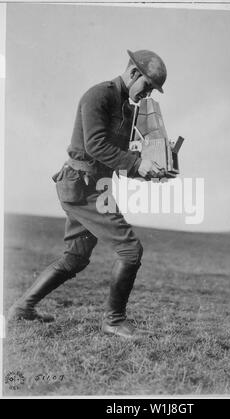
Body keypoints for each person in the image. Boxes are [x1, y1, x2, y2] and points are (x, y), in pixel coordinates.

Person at [8, 49, 168, 339]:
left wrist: (148, 171)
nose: (147, 94)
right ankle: (114, 320)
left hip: (93, 185)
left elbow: (116, 156)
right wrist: (137, 164)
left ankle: (22, 309)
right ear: (133, 73)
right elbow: (95, 146)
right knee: (130, 251)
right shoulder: (100, 95)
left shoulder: (126, 106)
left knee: (75, 258)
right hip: (83, 185)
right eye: (147, 86)